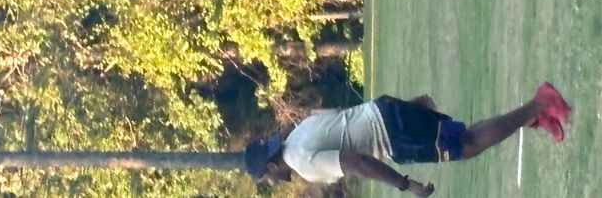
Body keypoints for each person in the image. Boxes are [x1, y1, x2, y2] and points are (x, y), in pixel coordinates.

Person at [244, 82, 572, 194]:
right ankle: (537, 116)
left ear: (271, 167)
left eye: (266, 178)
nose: (272, 182)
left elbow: (357, 162)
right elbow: (345, 118)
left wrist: (405, 184)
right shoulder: (297, 131)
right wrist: (407, 108)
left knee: (467, 144)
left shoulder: (301, 162)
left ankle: (539, 103)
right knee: (464, 140)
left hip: (395, 136)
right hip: (386, 114)